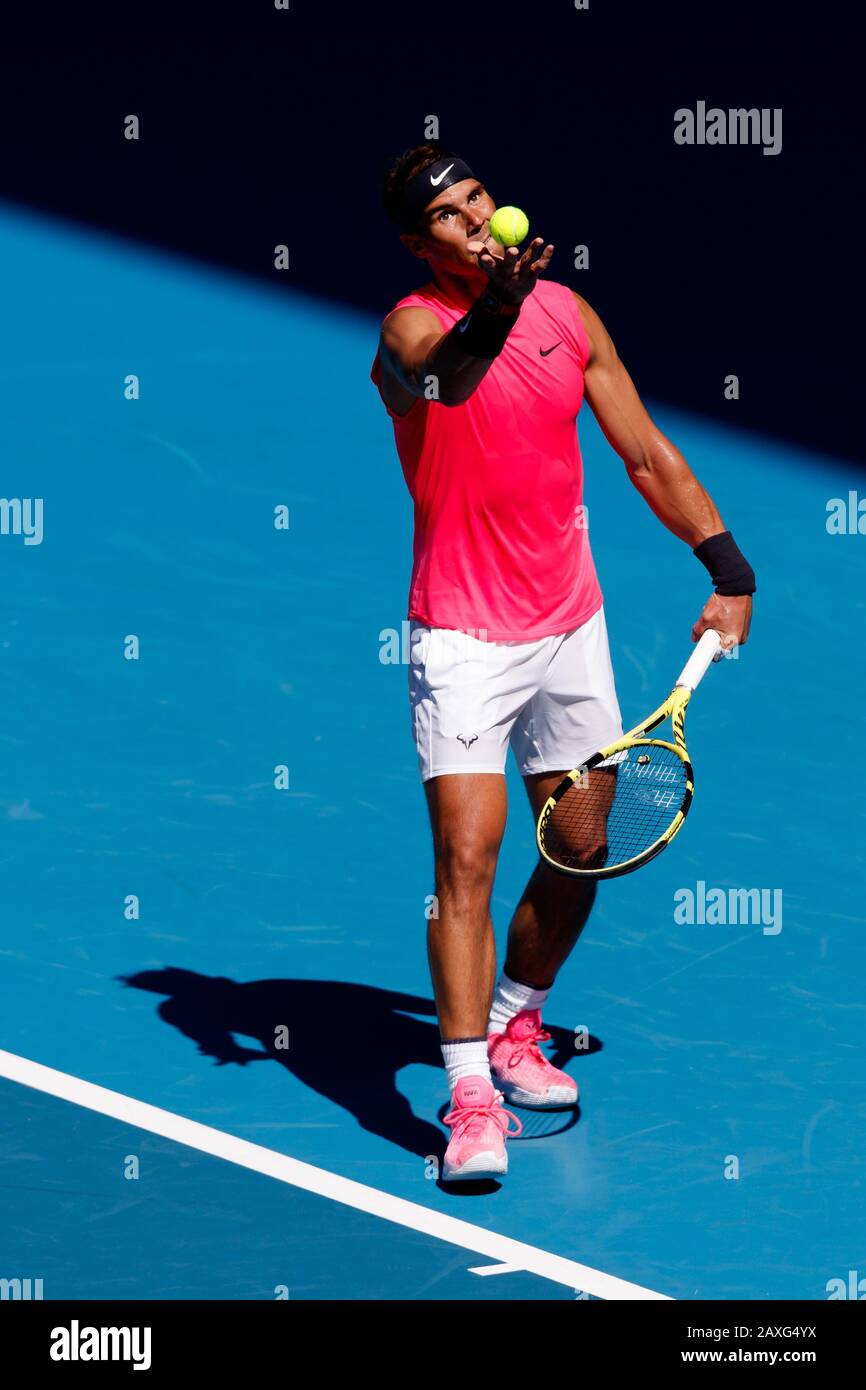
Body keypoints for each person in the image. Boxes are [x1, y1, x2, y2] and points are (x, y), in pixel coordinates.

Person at [370, 143, 755, 1182]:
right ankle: (465, 1100)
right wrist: (496, 299)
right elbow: (443, 382)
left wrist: (725, 566)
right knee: (465, 859)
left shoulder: (567, 315)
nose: (473, 220)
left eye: (478, 200)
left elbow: (642, 453)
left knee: (581, 842)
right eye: (448, 217)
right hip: (460, 634)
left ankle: (512, 1023)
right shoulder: (407, 328)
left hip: (565, 623)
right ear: (421, 244)